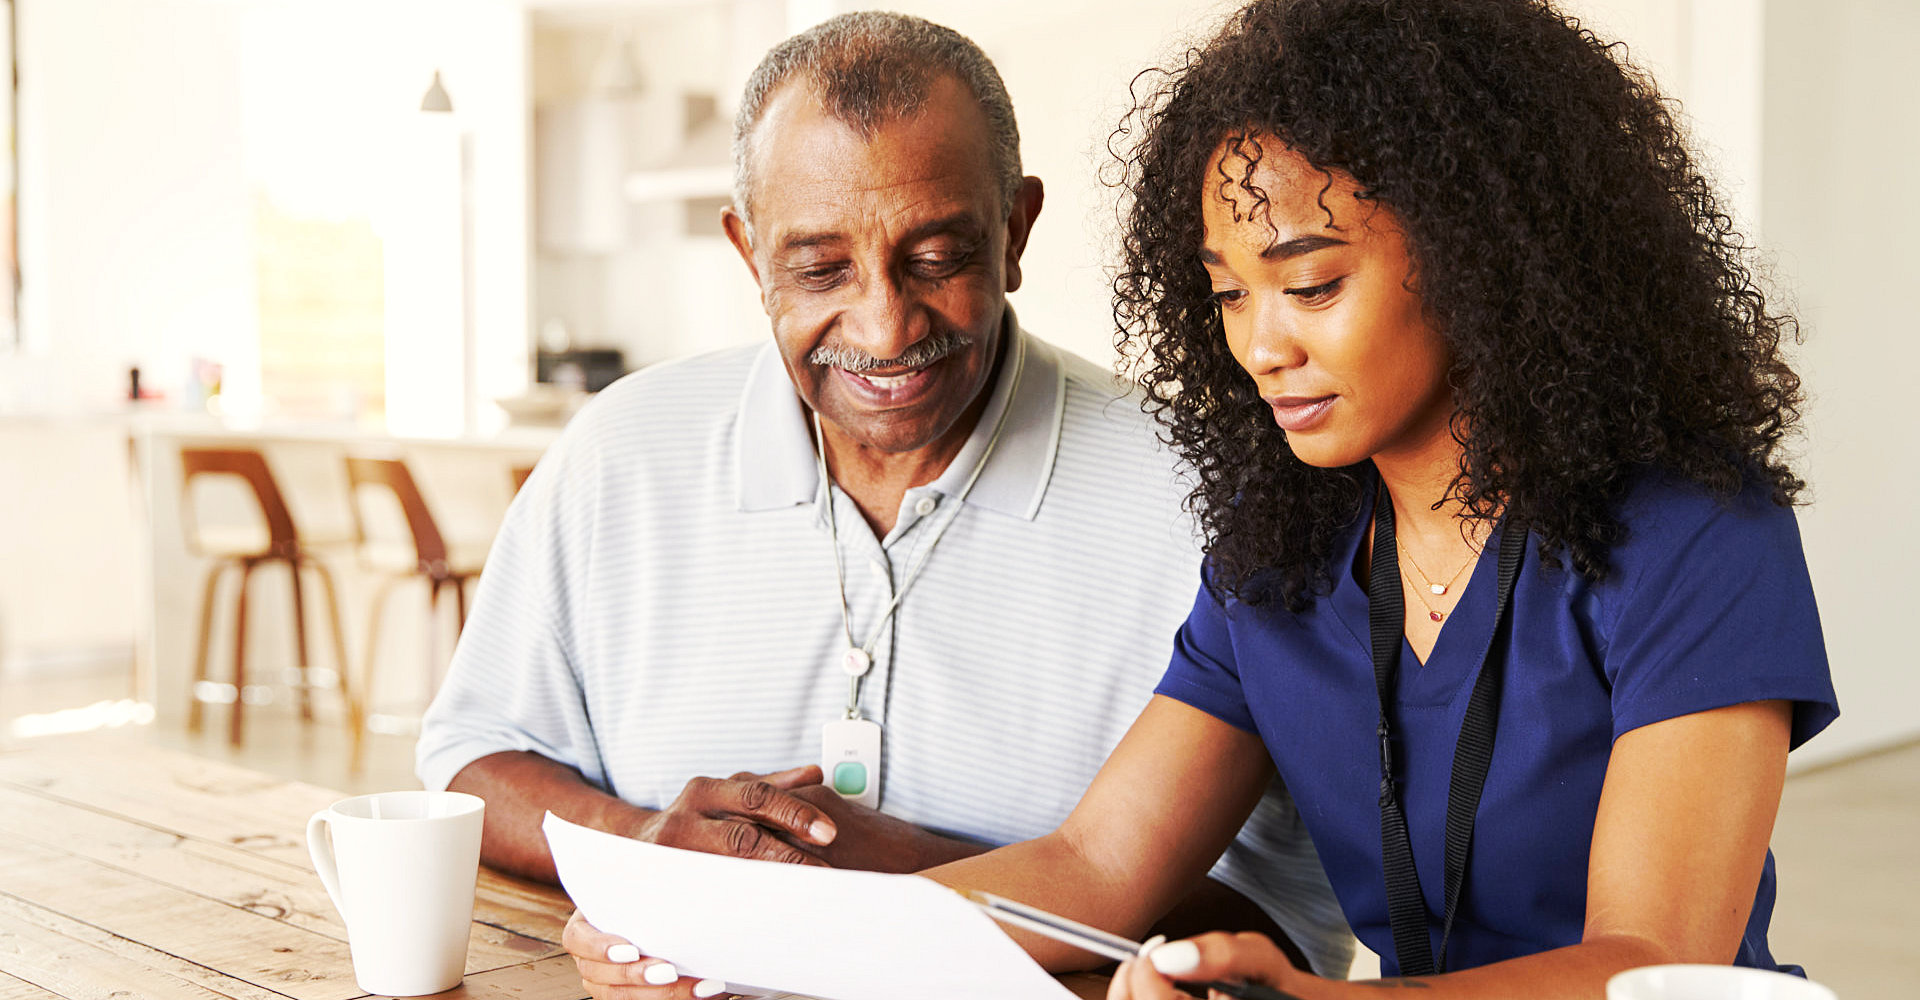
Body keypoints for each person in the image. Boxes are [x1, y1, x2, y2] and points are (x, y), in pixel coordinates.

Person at [567, 0, 1838, 996]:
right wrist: (727, 933)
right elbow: (1093, 869)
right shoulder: (1283, 551)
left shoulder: (1696, 533)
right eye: (1228, 292)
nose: (1261, 343)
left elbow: (1649, 964)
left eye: (1312, 282)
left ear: (1484, 255)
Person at [418, 10, 1352, 995]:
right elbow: (472, 755)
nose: (883, 325)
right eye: (820, 268)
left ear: (1016, 229)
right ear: (748, 254)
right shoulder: (618, 452)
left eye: (938, 257)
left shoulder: (1207, 493)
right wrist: (650, 853)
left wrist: (882, 874)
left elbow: (1281, 928)